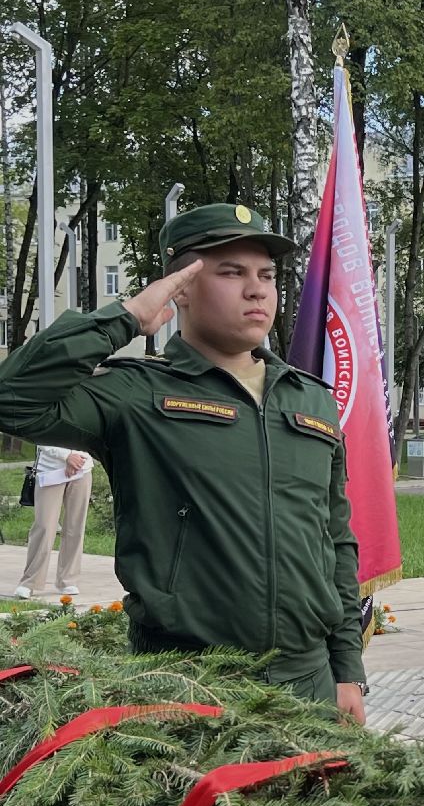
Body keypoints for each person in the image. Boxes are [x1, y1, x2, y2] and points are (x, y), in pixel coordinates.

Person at [0, 203, 368, 722]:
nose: (257, 289)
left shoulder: (310, 399)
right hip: (187, 684)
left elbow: (335, 537)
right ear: (181, 287)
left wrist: (346, 669)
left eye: (266, 275)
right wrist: (126, 318)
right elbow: (12, 397)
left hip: (307, 681)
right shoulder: (137, 393)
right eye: (231, 272)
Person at [14, 445, 93, 599]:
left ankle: (68, 579)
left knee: (75, 528)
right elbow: (40, 436)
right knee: (44, 528)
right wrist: (67, 457)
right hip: (50, 471)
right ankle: (29, 582)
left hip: (82, 470)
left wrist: (77, 459)